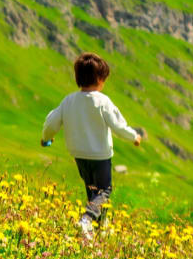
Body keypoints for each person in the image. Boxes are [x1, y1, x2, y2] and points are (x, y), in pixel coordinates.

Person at [41, 52, 143, 239]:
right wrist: (134, 136)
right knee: (104, 190)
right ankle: (87, 220)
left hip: (79, 154)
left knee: (92, 191)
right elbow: (118, 126)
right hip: (100, 155)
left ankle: (96, 231)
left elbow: (51, 123)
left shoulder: (68, 100)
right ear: (99, 79)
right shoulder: (102, 101)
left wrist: (46, 138)